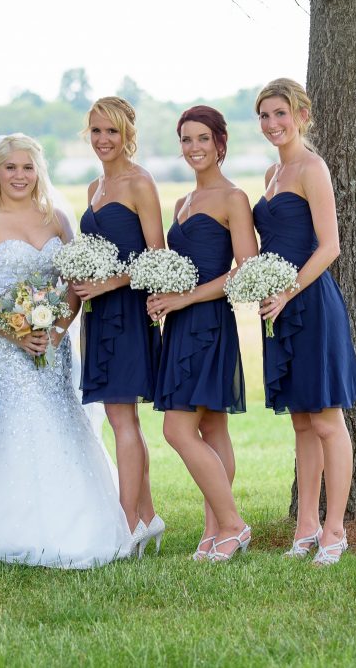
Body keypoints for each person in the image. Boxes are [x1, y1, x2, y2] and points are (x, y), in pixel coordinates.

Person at [0, 133, 132, 568]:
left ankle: (76, 527)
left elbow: (76, 284)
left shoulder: (58, 219)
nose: (19, 176)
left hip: (54, 346)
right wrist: (16, 332)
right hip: (6, 351)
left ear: (38, 172)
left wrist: (58, 330)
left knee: (62, 422)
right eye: (10, 167)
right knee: (15, 425)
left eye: (27, 167)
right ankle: (2, 529)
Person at [253, 78, 356, 565]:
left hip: (309, 303)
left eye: (280, 113)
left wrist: (287, 291)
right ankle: (305, 528)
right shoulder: (270, 176)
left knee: (326, 419)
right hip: (276, 306)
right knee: (301, 421)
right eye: (264, 115)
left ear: (302, 115)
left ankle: (335, 531)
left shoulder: (311, 168)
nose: (273, 124)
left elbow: (330, 246)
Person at [147, 106, 257, 561]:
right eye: (186, 139)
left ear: (220, 143)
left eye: (202, 139)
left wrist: (186, 298)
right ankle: (215, 533)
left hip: (209, 322)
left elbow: (246, 271)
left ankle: (233, 524)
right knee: (211, 427)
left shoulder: (233, 198)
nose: (194, 148)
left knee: (177, 429)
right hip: (179, 323)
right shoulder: (182, 204)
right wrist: (162, 294)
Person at [73, 96, 165, 554]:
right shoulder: (94, 186)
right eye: (95, 131)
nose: (103, 140)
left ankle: (128, 523)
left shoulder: (139, 182)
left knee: (122, 418)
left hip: (127, 311)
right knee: (121, 419)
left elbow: (156, 256)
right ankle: (146, 517)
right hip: (99, 313)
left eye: (111, 131)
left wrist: (110, 283)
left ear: (128, 133)